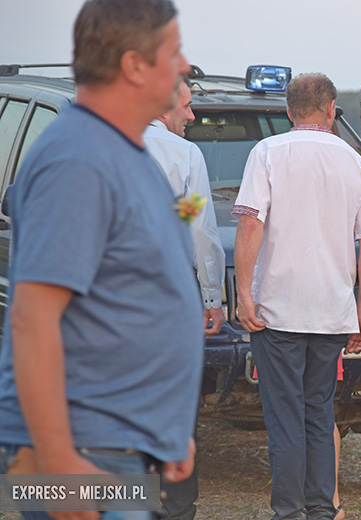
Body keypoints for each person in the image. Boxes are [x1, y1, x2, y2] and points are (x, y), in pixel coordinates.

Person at [0, 1, 201, 520]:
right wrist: (58, 462)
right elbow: (32, 317)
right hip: (83, 456)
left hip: (120, 450)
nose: (183, 65)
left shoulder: (125, 153)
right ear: (134, 65)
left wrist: (166, 428)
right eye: (174, 51)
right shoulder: (78, 161)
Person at [232, 72, 361, 520]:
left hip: (277, 310)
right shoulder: (356, 162)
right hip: (332, 312)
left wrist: (243, 293)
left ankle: (288, 511)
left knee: (285, 418)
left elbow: (250, 224)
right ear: (332, 109)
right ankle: (321, 508)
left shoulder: (268, 153)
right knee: (319, 413)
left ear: (288, 111)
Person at [143, 79, 226, 520]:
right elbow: (196, 229)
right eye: (188, 106)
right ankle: (177, 508)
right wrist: (213, 297)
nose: (192, 116)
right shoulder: (184, 156)